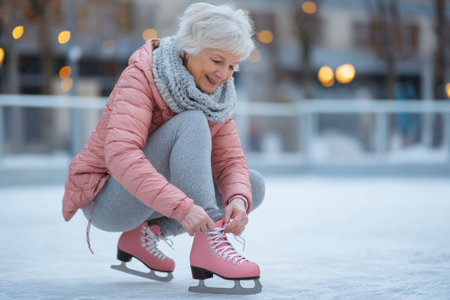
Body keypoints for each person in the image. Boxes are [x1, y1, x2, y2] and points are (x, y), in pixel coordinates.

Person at [62, 2, 265, 295]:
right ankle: (209, 245)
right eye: (217, 60)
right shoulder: (144, 74)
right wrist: (184, 208)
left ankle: (144, 235)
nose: (224, 74)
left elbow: (229, 160)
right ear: (192, 47)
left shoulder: (218, 96)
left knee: (250, 186)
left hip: (150, 201)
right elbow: (121, 156)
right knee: (192, 120)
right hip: (108, 199)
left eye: (232, 66)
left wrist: (237, 201)